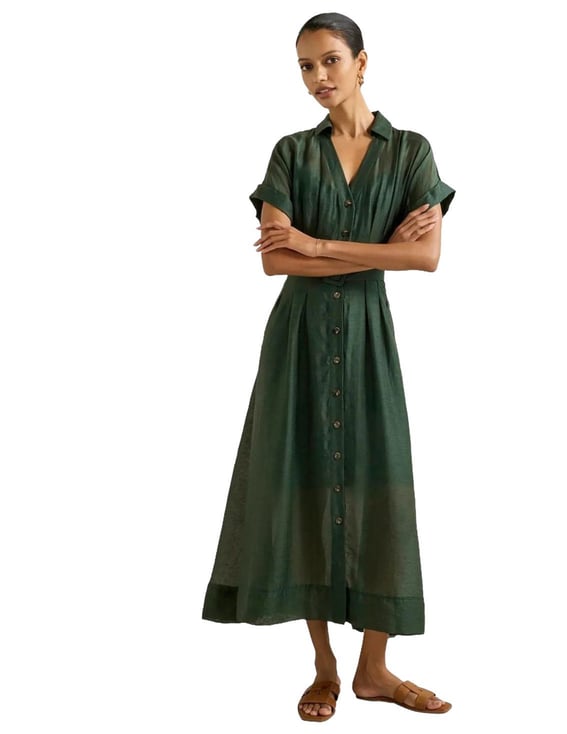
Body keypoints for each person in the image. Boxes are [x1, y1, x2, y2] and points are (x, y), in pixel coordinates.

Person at [201, 11, 456, 721]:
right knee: (305, 484)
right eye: (306, 66)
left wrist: (316, 246)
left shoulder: (411, 152)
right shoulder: (290, 153)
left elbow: (425, 256)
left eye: (330, 60)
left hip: (369, 337)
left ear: (362, 63)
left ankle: (375, 669)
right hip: (299, 340)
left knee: (380, 483)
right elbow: (274, 262)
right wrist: (362, 250)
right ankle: (325, 667)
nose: (318, 77)